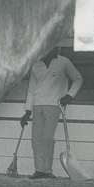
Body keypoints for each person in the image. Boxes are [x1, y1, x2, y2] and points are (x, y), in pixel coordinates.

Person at [20, 47, 83, 179]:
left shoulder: (64, 62)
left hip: (54, 104)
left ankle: (47, 171)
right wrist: (27, 111)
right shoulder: (36, 64)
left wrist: (69, 96)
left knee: (47, 138)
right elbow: (31, 89)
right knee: (36, 138)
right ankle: (39, 170)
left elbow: (78, 78)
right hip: (37, 104)